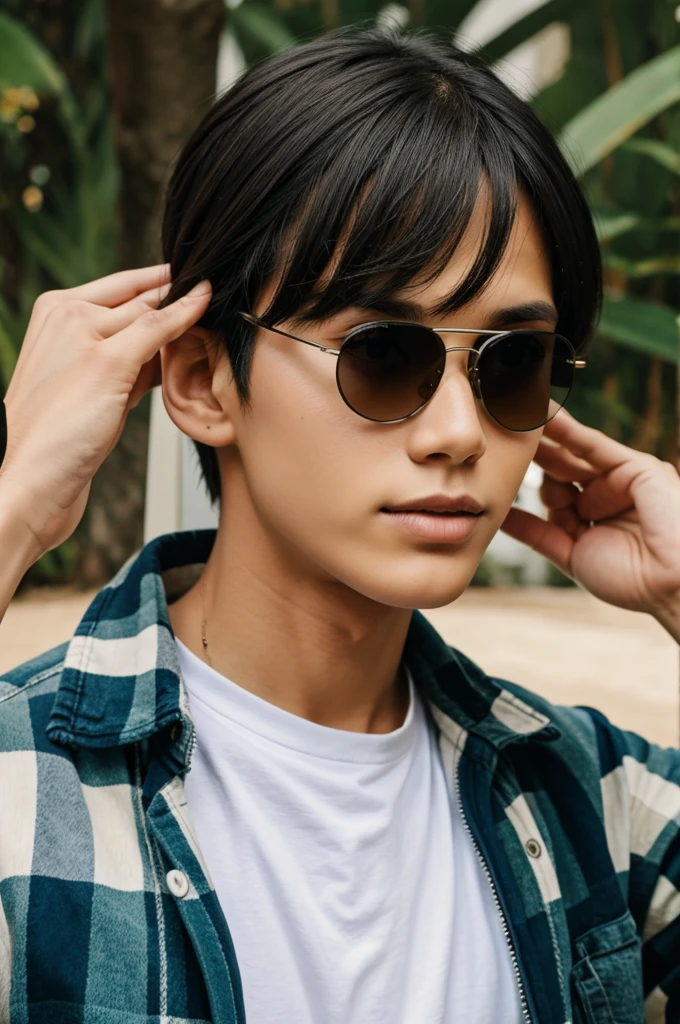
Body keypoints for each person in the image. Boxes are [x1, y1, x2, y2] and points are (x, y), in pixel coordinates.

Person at [0, 24, 678, 1024]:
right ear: (199, 378)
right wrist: (11, 508)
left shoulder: (588, 795)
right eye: (383, 354)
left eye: (508, 361)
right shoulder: (25, 793)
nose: (456, 431)